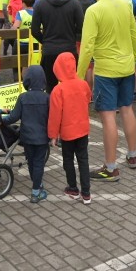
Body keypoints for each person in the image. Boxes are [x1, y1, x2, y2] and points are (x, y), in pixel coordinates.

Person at [76, 0, 136, 182]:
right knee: (127, 108)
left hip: (106, 70)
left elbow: (87, 48)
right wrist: (135, 59)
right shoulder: (125, 3)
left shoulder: (94, 10)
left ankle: (111, 168)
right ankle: (132, 155)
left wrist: (78, 76)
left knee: (108, 116)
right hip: (126, 66)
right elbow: (135, 35)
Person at [0, 65, 50, 203]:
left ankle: (37, 185)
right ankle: (36, 192)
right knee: (39, 163)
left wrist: (0, 120)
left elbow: (13, 117)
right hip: (42, 137)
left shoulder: (23, 97)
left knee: (31, 162)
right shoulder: (47, 98)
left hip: (26, 137)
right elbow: (52, 118)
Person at [49, 52, 92, 204]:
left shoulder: (58, 90)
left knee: (68, 159)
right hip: (83, 129)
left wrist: (53, 135)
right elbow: (88, 99)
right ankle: (86, 193)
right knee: (83, 160)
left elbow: (55, 116)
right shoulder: (83, 84)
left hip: (67, 132)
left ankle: (73, 188)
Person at [30, 0, 84, 94]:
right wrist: (71, 37)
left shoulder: (41, 4)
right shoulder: (75, 4)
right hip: (68, 49)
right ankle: (69, 111)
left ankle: (52, 111)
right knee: (70, 85)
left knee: (50, 86)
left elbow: (34, 30)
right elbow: (81, 27)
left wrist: (45, 40)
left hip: (49, 50)